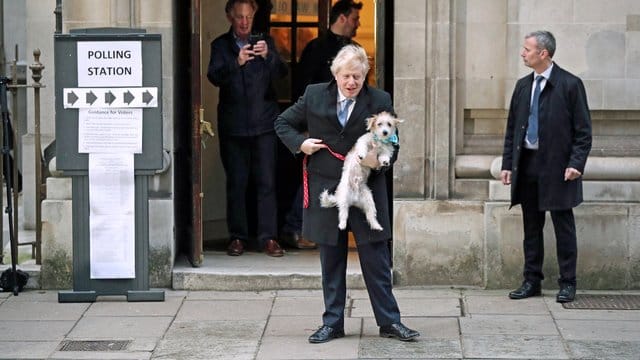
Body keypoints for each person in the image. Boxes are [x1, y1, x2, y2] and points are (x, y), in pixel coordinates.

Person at [275, 45, 419, 343]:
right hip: (327, 187)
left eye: (357, 76)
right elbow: (282, 123)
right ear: (335, 75)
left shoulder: (379, 99)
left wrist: (381, 161)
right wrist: (300, 144)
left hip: (367, 190)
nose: (351, 82)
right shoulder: (314, 94)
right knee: (331, 258)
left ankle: (390, 322)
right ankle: (332, 322)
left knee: (376, 259)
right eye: (346, 76)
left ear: (365, 76)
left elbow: (393, 141)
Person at [500, 30, 592, 303]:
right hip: (527, 164)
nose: (522, 53)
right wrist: (508, 164)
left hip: (559, 167)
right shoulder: (522, 86)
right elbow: (512, 130)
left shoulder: (570, 84)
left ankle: (568, 282)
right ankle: (532, 281)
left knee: (563, 226)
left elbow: (583, 131)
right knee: (531, 226)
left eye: (527, 49)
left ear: (544, 54)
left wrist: (576, 163)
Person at [279, 0, 363, 250]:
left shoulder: (354, 50)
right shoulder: (316, 48)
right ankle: (294, 227)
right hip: (319, 126)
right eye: (355, 19)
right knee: (315, 176)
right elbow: (303, 87)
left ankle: (319, 229)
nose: (357, 24)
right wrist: (303, 128)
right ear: (343, 18)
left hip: (346, 125)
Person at [207, 0, 288, 257]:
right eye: (239, 17)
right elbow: (213, 76)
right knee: (237, 184)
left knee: (267, 183)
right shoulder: (220, 45)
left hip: (264, 124)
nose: (244, 22)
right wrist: (236, 62)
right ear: (230, 17)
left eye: (248, 17)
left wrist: (269, 56)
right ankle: (238, 237)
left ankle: (268, 238)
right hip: (234, 126)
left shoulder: (266, 42)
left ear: (254, 17)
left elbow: (283, 73)